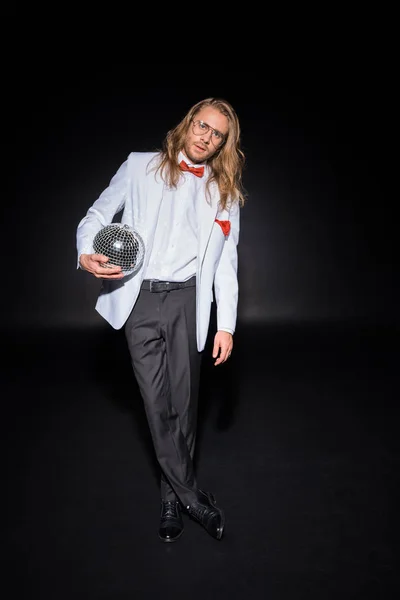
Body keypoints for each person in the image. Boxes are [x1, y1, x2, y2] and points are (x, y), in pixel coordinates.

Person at [76, 97, 246, 542]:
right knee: (156, 402)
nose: (206, 137)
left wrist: (225, 323)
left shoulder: (223, 190)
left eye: (217, 134)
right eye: (202, 126)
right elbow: (97, 214)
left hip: (190, 301)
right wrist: (85, 251)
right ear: (188, 123)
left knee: (185, 404)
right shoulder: (138, 166)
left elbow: (227, 262)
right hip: (140, 300)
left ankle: (170, 497)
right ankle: (193, 499)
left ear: (223, 144)